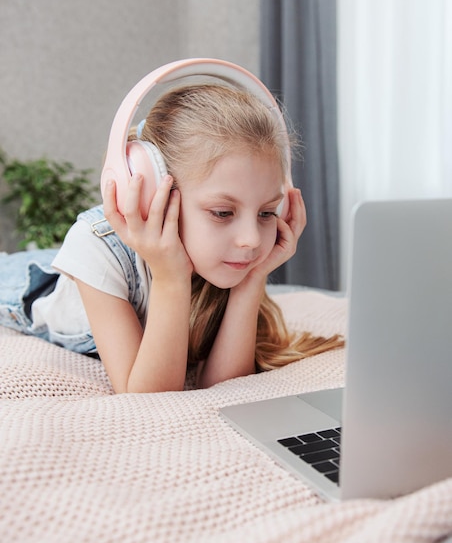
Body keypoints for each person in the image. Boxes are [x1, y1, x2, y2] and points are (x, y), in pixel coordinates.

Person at [0, 81, 343, 393]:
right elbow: (149, 397)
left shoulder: (235, 254)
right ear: (153, 198)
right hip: (28, 285)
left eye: (267, 213)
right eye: (223, 213)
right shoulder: (96, 246)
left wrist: (252, 279)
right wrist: (170, 277)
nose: (251, 239)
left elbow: (226, 386)